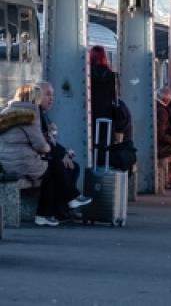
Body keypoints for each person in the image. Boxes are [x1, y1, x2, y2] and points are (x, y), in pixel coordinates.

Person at [33, 82, 92, 225]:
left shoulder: (42, 114)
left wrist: (64, 152)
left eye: (52, 95)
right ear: (37, 96)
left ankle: (59, 209)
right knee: (56, 168)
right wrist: (61, 155)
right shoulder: (35, 115)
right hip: (30, 160)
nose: (51, 98)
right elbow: (40, 143)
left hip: (37, 157)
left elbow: (48, 141)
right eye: (47, 94)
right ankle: (67, 202)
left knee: (71, 167)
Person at [89, 45, 117, 144]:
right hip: (107, 113)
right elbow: (115, 96)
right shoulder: (112, 75)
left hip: (90, 113)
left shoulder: (86, 74)